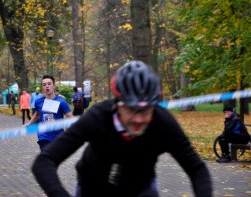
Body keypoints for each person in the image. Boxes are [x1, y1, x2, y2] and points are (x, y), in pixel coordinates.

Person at [31, 61, 212, 197]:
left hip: (140, 187)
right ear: (117, 104)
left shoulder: (162, 122)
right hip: (93, 187)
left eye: (146, 110)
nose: (139, 119)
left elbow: (196, 168)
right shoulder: (98, 117)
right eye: (132, 109)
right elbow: (44, 161)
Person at [26, 74, 73, 151]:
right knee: (46, 157)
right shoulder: (38, 102)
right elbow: (37, 114)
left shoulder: (61, 102)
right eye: (44, 85)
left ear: (54, 86)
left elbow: (70, 118)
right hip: (43, 135)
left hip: (58, 136)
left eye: (49, 84)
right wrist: (30, 123)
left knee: (55, 160)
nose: (47, 86)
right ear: (42, 88)